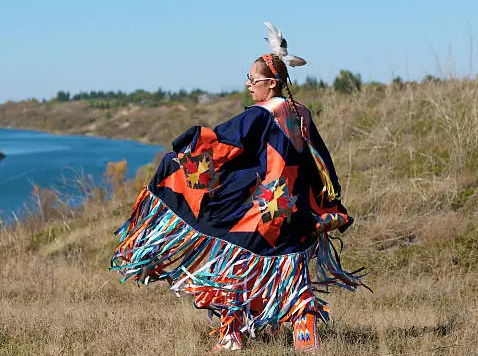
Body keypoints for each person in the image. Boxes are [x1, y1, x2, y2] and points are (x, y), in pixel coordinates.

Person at [111, 22, 366, 352]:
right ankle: (305, 338)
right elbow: (322, 162)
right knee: (289, 269)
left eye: (253, 79)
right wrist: (327, 200)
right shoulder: (300, 112)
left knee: (235, 266)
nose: (248, 85)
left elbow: (221, 144)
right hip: (294, 207)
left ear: (271, 83)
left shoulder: (261, 114)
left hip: (262, 209)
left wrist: (179, 161)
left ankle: (232, 335)